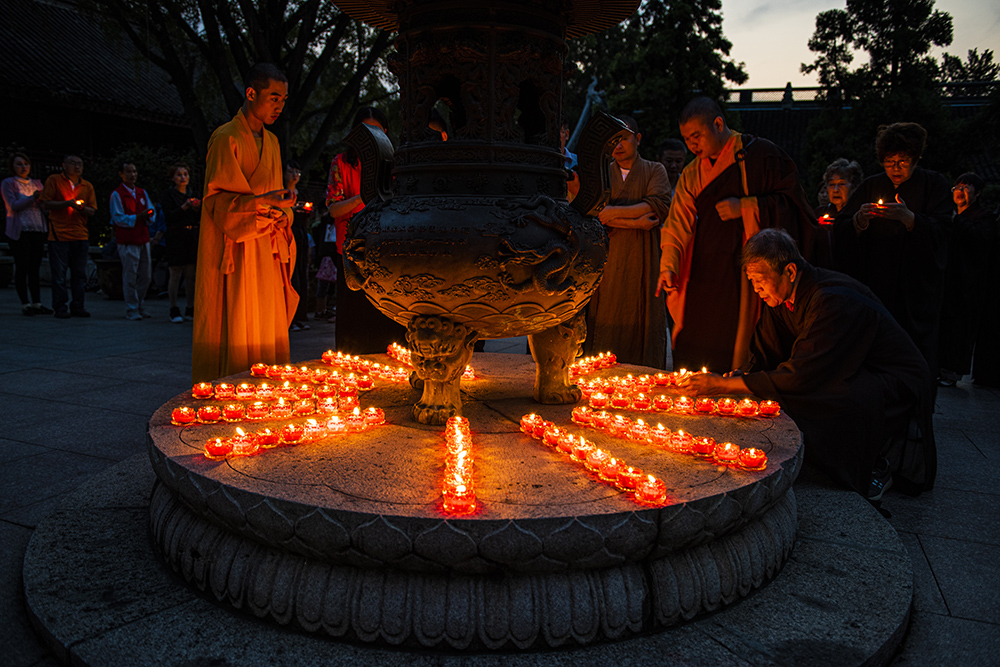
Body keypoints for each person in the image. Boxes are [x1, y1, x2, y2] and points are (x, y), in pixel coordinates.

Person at [682, 229, 935, 500]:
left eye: (760, 281)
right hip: (845, 365)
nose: (756, 289)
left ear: (789, 272)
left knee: (832, 393)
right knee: (784, 387)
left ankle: (875, 465)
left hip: (896, 380)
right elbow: (766, 349)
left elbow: (806, 373)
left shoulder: (832, 300)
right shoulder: (782, 295)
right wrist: (744, 376)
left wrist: (726, 384)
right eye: (752, 281)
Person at [657, 97, 817, 373]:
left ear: (718, 124)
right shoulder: (692, 172)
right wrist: (669, 267)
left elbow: (792, 205)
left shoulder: (760, 155)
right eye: (687, 139)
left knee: (739, 333)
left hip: (745, 264)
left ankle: (736, 387)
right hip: (703, 266)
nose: (692, 146)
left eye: (696, 136)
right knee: (696, 333)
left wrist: (745, 206)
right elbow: (676, 224)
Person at [192, 63, 298, 383]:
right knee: (237, 314)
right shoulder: (225, 138)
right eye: (273, 97)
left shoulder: (274, 143)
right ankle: (232, 386)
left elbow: (273, 194)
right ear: (251, 93)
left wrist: (284, 210)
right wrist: (265, 202)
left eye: (284, 99)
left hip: (265, 245)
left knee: (266, 315)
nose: (279, 106)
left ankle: (268, 385)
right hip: (234, 246)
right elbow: (216, 202)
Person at [833, 122, 952, 382]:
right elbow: (841, 228)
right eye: (889, 161)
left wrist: (910, 219)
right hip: (876, 284)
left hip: (916, 291)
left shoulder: (934, 184)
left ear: (917, 157)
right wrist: (859, 222)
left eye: (903, 161)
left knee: (914, 355)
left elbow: (944, 232)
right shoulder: (872, 185)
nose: (895, 168)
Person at [583, 116, 671, 367]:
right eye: (613, 140)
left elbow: (657, 208)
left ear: (638, 139)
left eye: (623, 137)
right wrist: (635, 222)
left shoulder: (655, 170)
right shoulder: (601, 172)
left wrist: (610, 213)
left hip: (642, 259)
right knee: (604, 319)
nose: (618, 145)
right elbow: (592, 212)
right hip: (607, 261)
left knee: (642, 316)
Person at [326, 107, 408, 353]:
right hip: (352, 251)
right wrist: (363, 196)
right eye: (366, 131)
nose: (373, 137)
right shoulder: (341, 163)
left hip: (388, 251)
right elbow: (334, 209)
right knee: (355, 314)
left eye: (378, 130)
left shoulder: (397, 166)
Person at [937, 173, 997, 386]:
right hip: (948, 279)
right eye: (957, 187)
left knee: (960, 328)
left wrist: (958, 220)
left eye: (966, 187)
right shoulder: (950, 216)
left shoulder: (983, 217)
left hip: (968, 283)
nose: (960, 191)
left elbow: (981, 240)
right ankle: (940, 367)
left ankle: (953, 371)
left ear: (977, 193)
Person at [40, 154, 97, 318]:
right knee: (59, 274)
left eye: (80, 164)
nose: (77, 167)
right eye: (73, 163)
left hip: (80, 234)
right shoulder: (54, 180)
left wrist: (81, 208)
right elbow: (46, 202)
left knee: (79, 274)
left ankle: (78, 306)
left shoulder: (87, 186)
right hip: (59, 234)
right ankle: (60, 307)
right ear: (64, 165)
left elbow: (92, 210)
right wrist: (67, 203)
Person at [2, 152, 52, 315]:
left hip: (37, 228)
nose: (23, 167)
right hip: (20, 230)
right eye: (19, 164)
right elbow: (13, 205)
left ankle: (37, 302)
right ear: (12, 167)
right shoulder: (8, 183)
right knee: (22, 266)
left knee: (34, 267)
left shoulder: (37, 183)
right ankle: (25, 303)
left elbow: (44, 207)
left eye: (25, 163)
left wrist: (44, 201)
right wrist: (32, 198)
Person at [109, 162, 153, 320]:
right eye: (128, 172)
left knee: (146, 275)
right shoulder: (117, 194)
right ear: (121, 174)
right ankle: (132, 307)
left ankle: (140, 303)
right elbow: (117, 217)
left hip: (143, 238)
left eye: (134, 171)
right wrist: (136, 217)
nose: (132, 175)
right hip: (128, 241)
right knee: (130, 275)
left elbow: (151, 211)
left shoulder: (142, 192)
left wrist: (148, 216)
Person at [160, 162, 200, 323]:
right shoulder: (169, 195)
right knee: (175, 272)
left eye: (185, 174)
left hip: (191, 234)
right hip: (176, 234)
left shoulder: (192, 193)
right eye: (179, 175)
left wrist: (197, 207)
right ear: (173, 178)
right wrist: (184, 207)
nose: (183, 177)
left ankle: (190, 307)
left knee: (191, 273)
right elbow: (168, 216)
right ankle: (173, 308)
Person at [284, 159, 311, 332]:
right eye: (291, 171)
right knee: (290, 276)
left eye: (298, 173)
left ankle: (300, 315)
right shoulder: (280, 192)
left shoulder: (301, 193)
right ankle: (289, 317)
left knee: (302, 273)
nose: (295, 175)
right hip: (287, 235)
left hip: (300, 235)